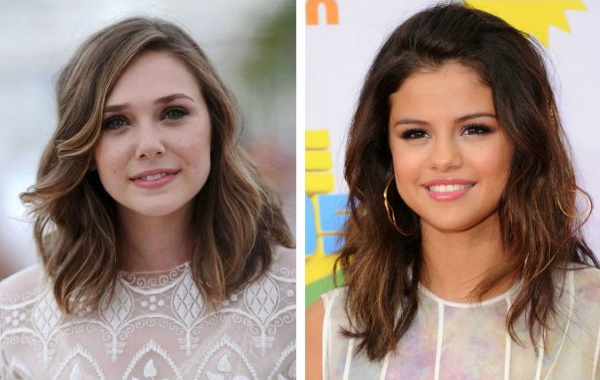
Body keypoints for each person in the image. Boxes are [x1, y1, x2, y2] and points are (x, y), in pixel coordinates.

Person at [306, 3, 600, 379]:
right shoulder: (331, 329)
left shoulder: (592, 312)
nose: (443, 158)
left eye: (474, 129)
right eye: (416, 134)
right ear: (386, 152)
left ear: (522, 139)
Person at [0, 17, 296, 379]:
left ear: (215, 129)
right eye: (115, 123)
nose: (149, 146)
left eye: (173, 113)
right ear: (85, 150)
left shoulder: (301, 295)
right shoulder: (13, 317)